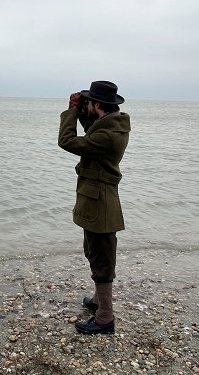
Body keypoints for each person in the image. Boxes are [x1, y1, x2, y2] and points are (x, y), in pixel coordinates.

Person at [58, 81, 131, 335]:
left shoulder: (106, 136)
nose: (86, 105)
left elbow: (67, 141)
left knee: (101, 259)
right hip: (100, 199)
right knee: (95, 251)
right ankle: (100, 302)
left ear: (98, 105)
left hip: (99, 203)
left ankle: (104, 318)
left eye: (89, 102)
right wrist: (80, 110)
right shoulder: (112, 125)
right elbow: (92, 129)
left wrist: (70, 111)